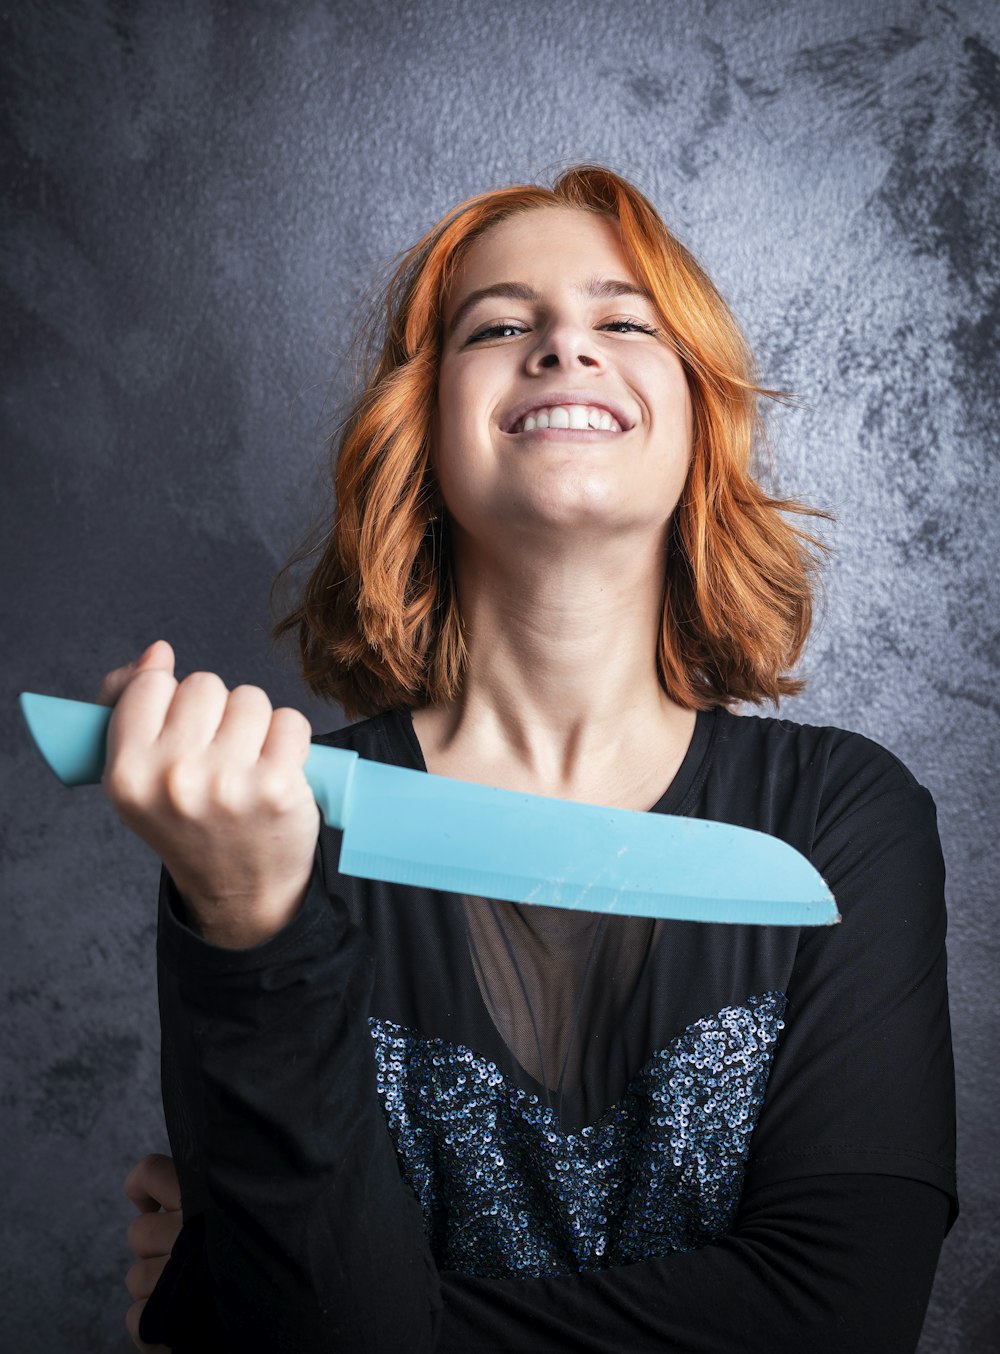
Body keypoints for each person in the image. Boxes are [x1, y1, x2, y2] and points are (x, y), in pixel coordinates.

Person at [100, 166, 956, 1353]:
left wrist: (238, 1300)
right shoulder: (251, 820)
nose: (562, 344)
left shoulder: (841, 816)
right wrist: (248, 912)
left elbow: (835, 1322)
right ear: (420, 431)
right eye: (499, 325)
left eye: (623, 321)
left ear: (698, 420)